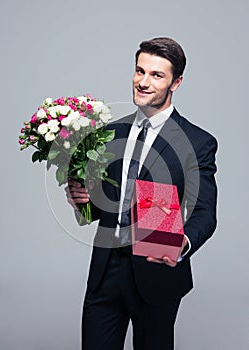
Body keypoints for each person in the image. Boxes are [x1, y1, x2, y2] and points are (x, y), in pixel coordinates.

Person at [66, 37, 218, 350]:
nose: (143, 82)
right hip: (105, 270)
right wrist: (82, 201)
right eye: (139, 71)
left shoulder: (197, 142)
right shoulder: (109, 135)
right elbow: (102, 207)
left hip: (157, 271)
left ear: (176, 82)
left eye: (156, 75)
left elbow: (205, 213)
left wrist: (181, 244)